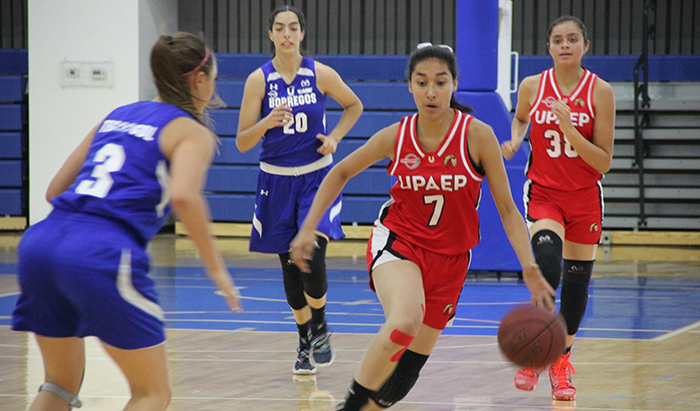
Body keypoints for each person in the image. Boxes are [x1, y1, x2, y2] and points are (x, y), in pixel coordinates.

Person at [290, 43, 556, 411]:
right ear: (410, 86)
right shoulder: (396, 136)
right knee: (405, 321)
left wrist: (528, 265)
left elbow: (509, 211)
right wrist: (308, 229)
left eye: (440, 82)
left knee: (398, 384)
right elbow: (340, 172)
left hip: (451, 259)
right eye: (422, 82)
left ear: (454, 85)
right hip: (400, 242)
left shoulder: (477, 136)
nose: (431, 91)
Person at [11, 32, 242, 411]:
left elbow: (54, 190)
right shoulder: (191, 132)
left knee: (58, 385)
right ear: (200, 80)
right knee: (152, 393)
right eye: (213, 78)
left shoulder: (117, 115)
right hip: (100, 251)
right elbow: (184, 197)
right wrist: (216, 268)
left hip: (40, 244)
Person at [236, 5, 363, 375]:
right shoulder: (258, 80)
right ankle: (305, 339)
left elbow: (353, 105)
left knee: (312, 254)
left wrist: (335, 137)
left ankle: (320, 325)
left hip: (315, 178)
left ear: (302, 34)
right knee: (290, 266)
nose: (287, 34)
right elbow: (242, 142)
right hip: (275, 181)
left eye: (293, 27)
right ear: (271, 34)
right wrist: (265, 123)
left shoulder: (320, 73)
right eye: (280, 28)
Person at [501, 15, 615, 401]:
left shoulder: (600, 92)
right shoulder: (532, 86)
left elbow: (603, 161)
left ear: (585, 46)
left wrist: (570, 129)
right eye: (558, 39)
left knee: (577, 288)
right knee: (548, 266)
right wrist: (516, 139)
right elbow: (520, 119)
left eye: (572, 39)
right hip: (545, 194)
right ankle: (537, 349)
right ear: (549, 47)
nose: (565, 45)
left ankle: (561, 360)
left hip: (584, 198)